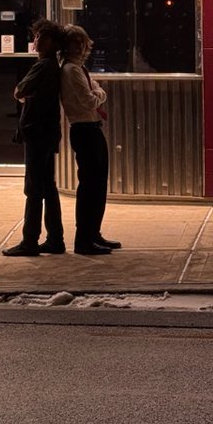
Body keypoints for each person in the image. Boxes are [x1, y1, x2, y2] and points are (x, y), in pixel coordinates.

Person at [2, 18, 65, 257]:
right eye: (36, 36)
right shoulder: (53, 66)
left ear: (52, 42)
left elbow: (20, 90)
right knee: (48, 186)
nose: (36, 41)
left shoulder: (42, 66)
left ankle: (30, 240)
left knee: (33, 188)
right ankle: (55, 239)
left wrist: (23, 95)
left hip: (37, 133)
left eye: (41, 37)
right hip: (47, 132)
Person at [60, 24, 120, 256]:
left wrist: (96, 92)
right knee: (90, 186)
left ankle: (93, 233)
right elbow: (90, 100)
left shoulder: (78, 68)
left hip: (91, 128)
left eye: (81, 42)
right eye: (76, 42)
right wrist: (99, 93)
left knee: (98, 184)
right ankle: (84, 239)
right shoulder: (71, 70)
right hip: (84, 130)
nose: (81, 47)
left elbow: (93, 92)